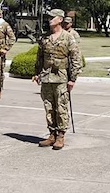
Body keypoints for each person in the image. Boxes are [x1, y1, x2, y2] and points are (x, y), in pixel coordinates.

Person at [33, 9, 82, 151]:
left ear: (60, 19)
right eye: (48, 17)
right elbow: (40, 57)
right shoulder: (45, 38)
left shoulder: (68, 37)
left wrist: (72, 79)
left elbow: (76, 59)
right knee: (48, 107)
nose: (49, 20)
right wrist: (37, 73)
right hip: (46, 77)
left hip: (61, 78)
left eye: (52, 17)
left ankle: (61, 135)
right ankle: (52, 134)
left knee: (61, 108)